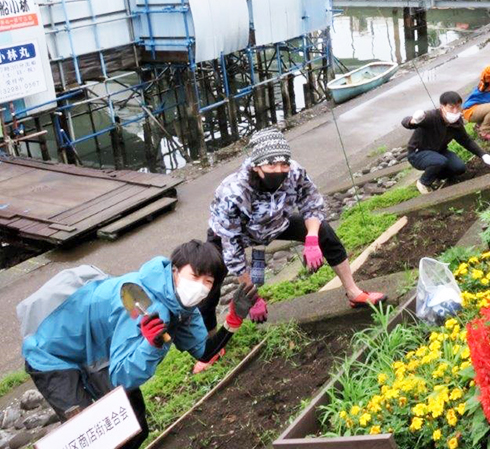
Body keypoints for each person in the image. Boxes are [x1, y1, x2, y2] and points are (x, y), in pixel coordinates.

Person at [20, 241, 258, 449]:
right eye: (195, 277)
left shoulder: (182, 308)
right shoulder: (141, 302)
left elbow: (204, 352)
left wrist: (233, 319)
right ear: (175, 271)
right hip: (52, 352)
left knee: (134, 426)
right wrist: (150, 346)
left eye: (208, 281)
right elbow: (121, 378)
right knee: (91, 435)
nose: (201, 287)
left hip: (94, 351)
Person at [205, 128, 387, 318]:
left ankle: (353, 292)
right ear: (256, 166)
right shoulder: (233, 192)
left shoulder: (294, 172)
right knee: (208, 275)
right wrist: (253, 296)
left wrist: (312, 239)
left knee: (324, 231)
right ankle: (208, 340)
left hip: (276, 222)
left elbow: (312, 204)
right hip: (236, 233)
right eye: (272, 165)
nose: (279, 170)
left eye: (284, 164)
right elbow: (233, 251)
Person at [403, 91, 490, 194]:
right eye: (451, 107)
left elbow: (466, 140)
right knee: (440, 161)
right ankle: (423, 182)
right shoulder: (431, 117)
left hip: (439, 151)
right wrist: (414, 120)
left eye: (458, 107)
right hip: (418, 153)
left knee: (459, 168)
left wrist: (483, 155)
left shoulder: (456, 123)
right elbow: (406, 122)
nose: (455, 111)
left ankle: (437, 175)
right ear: (442, 107)